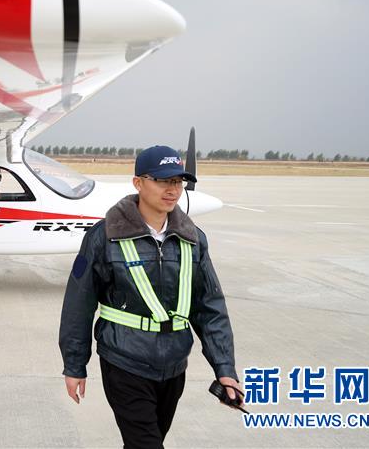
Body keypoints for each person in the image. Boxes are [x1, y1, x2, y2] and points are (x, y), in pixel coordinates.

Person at [59, 145, 240, 448]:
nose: (172, 190)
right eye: (162, 181)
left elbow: (209, 307)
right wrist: (75, 365)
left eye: (177, 182)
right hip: (124, 361)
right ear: (138, 183)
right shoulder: (103, 237)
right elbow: (78, 304)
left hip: (174, 365)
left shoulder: (194, 240)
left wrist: (225, 370)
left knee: (146, 441)